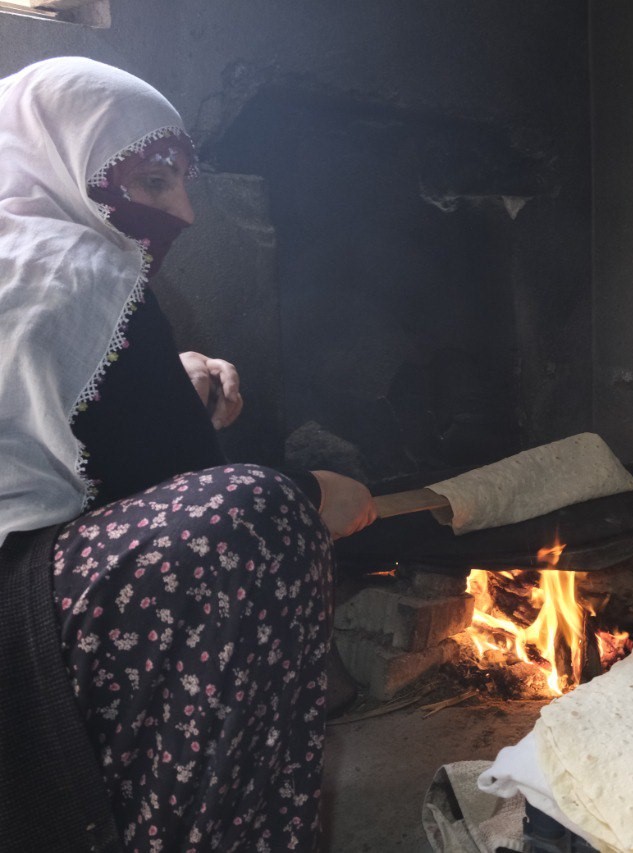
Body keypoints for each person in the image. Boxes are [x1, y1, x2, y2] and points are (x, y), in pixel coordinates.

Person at [0, 57, 376, 851]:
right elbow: (175, 484)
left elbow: (69, 431)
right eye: (153, 181)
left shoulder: (19, 257)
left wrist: (168, 379)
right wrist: (310, 494)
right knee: (252, 517)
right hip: (18, 616)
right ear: (64, 158)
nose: (185, 213)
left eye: (183, 181)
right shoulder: (88, 269)